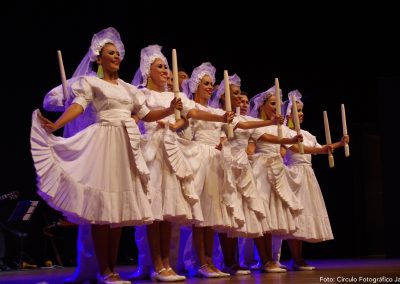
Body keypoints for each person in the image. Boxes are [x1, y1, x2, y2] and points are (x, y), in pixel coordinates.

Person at [31, 27, 183, 284]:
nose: (115, 57)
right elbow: (79, 107)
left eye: (117, 54)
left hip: (126, 146)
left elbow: (146, 115)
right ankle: (104, 270)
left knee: (118, 211)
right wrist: (57, 125)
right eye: (109, 53)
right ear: (98, 59)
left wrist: (169, 109)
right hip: (104, 142)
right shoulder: (92, 82)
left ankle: (112, 270)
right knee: (103, 211)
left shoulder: (128, 89)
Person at [131, 45, 234, 282]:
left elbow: (195, 114)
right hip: (152, 151)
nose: (166, 71)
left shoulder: (174, 97)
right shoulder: (141, 94)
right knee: (155, 209)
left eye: (167, 67)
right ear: (148, 70)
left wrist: (221, 116)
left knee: (168, 209)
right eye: (161, 67)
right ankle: (156, 264)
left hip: (172, 152)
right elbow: (138, 116)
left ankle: (167, 263)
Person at [209, 75, 302, 275]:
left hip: (243, 167)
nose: (239, 98)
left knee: (242, 213)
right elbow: (241, 128)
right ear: (224, 95)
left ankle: (241, 261)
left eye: (239, 95)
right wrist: (265, 123)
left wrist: (288, 137)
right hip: (226, 163)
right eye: (235, 94)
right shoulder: (220, 115)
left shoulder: (246, 118)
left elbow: (262, 136)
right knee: (229, 211)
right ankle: (228, 261)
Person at [282, 89, 349, 270]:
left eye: (302, 111)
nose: (302, 114)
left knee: (304, 216)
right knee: (296, 216)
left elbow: (321, 148)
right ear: (289, 114)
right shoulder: (284, 132)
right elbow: (296, 149)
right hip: (293, 174)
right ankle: (296, 259)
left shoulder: (307, 134)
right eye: (298, 111)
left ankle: (299, 258)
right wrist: (321, 150)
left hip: (308, 175)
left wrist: (340, 144)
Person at [244, 86, 304, 273]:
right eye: (272, 104)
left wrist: (294, 138)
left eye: (278, 105)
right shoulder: (255, 123)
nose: (276, 108)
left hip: (277, 168)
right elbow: (262, 139)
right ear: (262, 106)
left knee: (271, 216)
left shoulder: (279, 126)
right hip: (261, 168)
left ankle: (270, 258)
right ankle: (264, 259)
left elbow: (289, 142)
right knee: (262, 214)